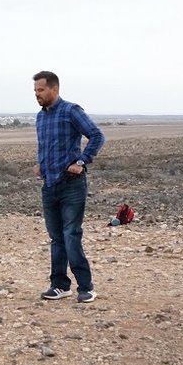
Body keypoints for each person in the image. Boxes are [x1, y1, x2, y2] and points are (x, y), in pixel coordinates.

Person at [33, 71, 105, 304]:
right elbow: (46, 146)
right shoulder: (40, 117)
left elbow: (96, 135)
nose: (37, 94)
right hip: (49, 184)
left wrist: (82, 161)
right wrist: (40, 164)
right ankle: (59, 285)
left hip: (71, 185)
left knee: (71, 235)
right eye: (35, 91)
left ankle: (86, 287)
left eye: (41, 90)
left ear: (54, 89)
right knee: (56, 238)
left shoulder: (71, 111)